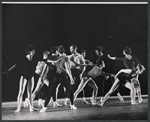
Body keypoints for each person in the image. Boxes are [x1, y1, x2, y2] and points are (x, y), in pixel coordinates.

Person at [40, 45, 76, 112]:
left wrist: (53, 62)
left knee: (51, 92)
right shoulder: (62, 58)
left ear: (58, 51)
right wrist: (71, 77)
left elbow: (47, 60)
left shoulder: (57, 57)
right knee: (70, 90)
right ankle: (72, 105)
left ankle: (44, 107)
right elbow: (67, 68)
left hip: (57, 76)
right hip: (61, 76)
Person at [4, 44, 36, 113]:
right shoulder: (24, 59)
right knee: (20, 92)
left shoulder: (34, 59)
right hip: (24, 76)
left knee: (29, 93)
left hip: (31, 76)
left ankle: (31, 106)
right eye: (33, 51)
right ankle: (18, 107)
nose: (34, 52)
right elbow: (16, 65)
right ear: (29, 51)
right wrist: (9, 70)